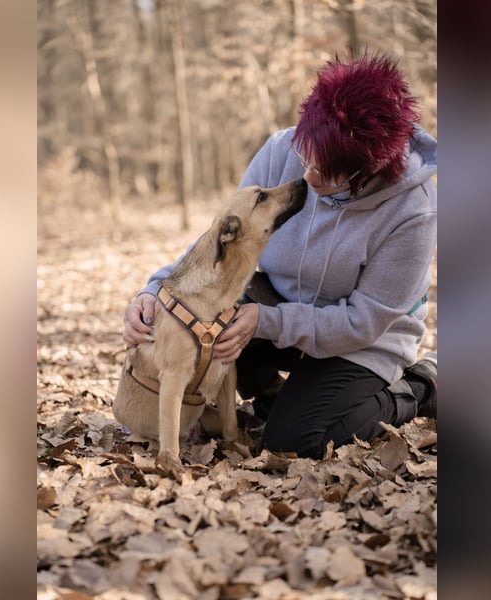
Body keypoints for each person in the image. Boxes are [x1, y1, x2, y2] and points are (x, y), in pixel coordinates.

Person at [122, 52, 437, 459]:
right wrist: (153, 292)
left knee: (295, 441)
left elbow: (365, 322)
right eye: (307, 158)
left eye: (327, 173)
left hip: (361, 340)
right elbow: (220, 241)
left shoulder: (415, 211)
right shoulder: (281, 150)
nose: (306, 176)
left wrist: (270, 321)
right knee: (204, 343)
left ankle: (419, 387)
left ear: (371, 168)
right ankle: (276, 392)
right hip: (275, 305)